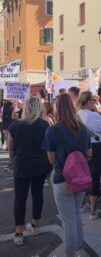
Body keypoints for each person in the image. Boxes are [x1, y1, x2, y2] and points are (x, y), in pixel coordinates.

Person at [45, 94, 91, 257]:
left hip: (62, 178)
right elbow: (89, 153)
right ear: (73, 109)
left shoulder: (52, 130)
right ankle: (78, 247)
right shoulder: (83, 129)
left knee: (68, 220)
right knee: (76, 214)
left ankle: (70, 254)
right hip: (81, 178)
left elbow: (51, 159)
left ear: (57, 109)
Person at [7, 97, 51, 246]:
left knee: (20, 198)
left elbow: (10, 146)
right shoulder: (45, 125)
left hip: (21, 165)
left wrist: (13, 161)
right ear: (39, 108)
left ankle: (18, 233)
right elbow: (48, 146)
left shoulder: (15, 125)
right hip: (40, 165)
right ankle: (34, 224)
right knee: (37, 193)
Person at [77, 91, 101, 220]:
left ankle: (82, 204)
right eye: (93, 101)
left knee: (83, 176)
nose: (94, 103)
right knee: (95, 177)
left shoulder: (77, 114)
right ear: (89, 101)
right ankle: (93, 211)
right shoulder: (93, 115)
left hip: (81, 147)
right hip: (95, 147)